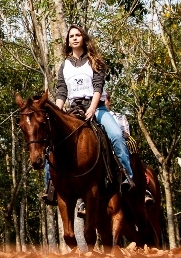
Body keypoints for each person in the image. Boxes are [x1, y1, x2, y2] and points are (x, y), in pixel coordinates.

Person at [54, 25, 133, 190]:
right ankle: (52, 185)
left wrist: (93, 108)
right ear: (68, 42)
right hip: (74, 109)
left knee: (117, 135)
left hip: (97, 107)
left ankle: (126, 175)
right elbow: (62, 91)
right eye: (71, 36)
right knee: (53, 140)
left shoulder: (94, 61)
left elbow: (98, 87)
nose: (74, 38)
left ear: (83, 38)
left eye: (77, 35)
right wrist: (56, 113)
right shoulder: (64, 66)